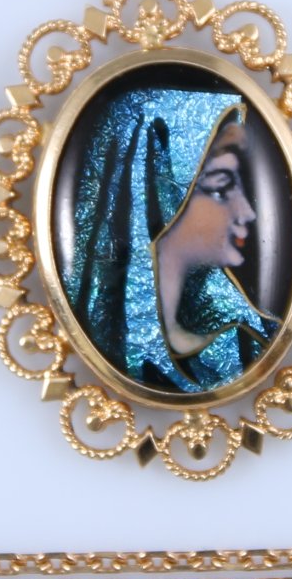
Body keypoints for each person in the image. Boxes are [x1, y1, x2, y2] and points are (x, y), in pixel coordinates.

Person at [61, 82, 276, 395]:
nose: (247, 212)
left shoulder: (248, 343)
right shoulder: (108, 357)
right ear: (152, 190)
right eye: (221, 187)